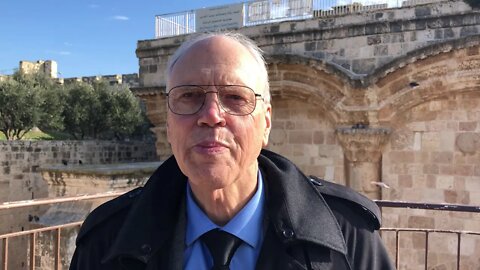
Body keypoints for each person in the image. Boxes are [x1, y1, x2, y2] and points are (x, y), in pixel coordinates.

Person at [70, 32, 395, 270]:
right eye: (189, 96)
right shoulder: (106, 242)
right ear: (168, 124)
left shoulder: (347, 238)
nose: (211, 115)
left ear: (266, 122)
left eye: (236, 98)